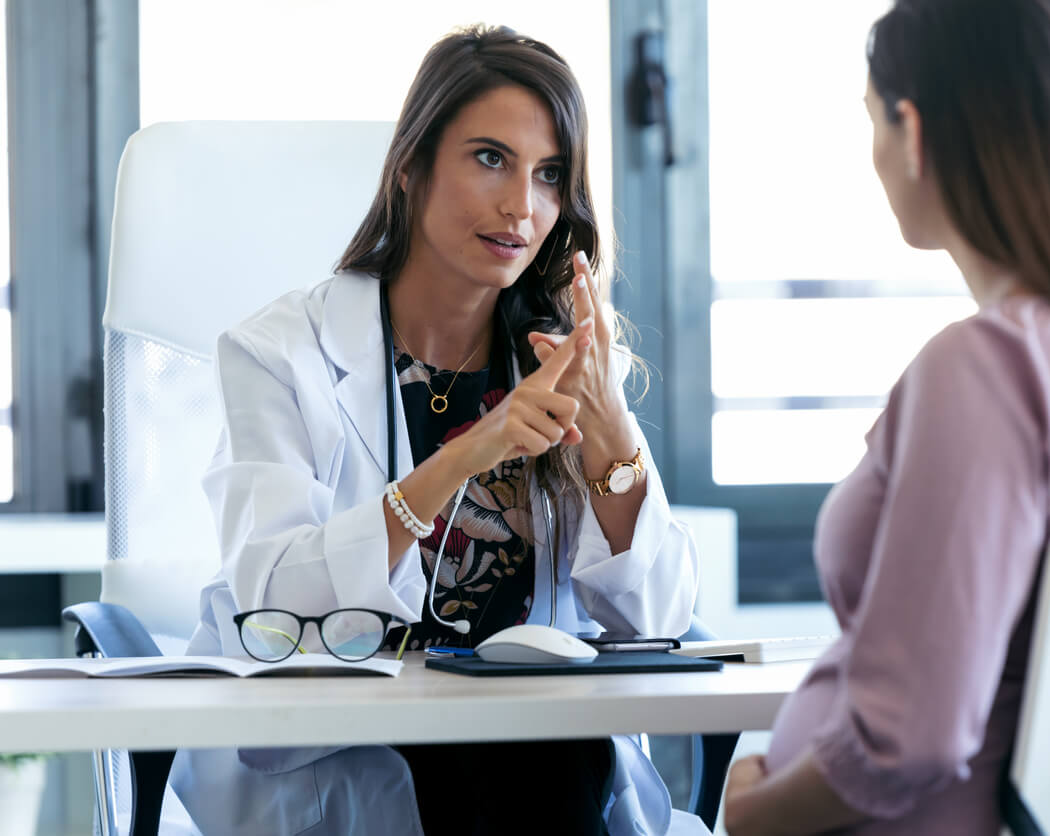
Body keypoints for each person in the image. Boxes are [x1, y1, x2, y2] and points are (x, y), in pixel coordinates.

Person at [721, 0, 1050, 833]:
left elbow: (911, 738)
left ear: (914, 132)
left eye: (872, 122)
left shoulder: (991, 368)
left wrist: (755, 814)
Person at [167, 24, 704, 836]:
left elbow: (660, 619)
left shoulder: (560, 361)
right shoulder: (279, 356)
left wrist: (612, 427)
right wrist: (468, 457)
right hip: (353, 751)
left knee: (538, 751)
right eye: (490, 158)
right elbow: (273, 598)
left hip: (537, 753)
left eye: (549, 175)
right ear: (412, 168)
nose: (522, 205)